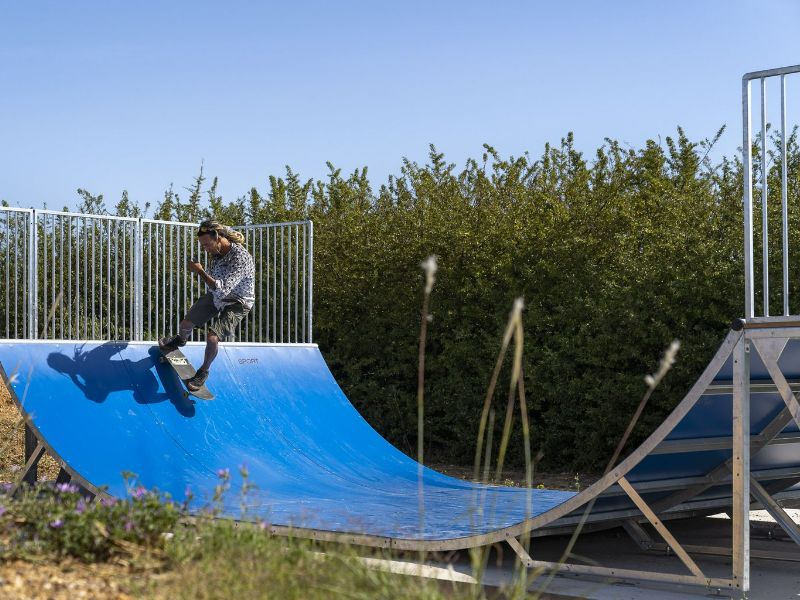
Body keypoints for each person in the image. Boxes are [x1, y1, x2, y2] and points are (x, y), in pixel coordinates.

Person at [159, 219, 255, 391]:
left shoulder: (241, 258)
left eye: (207, 245)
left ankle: (203, 371)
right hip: (216, 295)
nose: (206, 249)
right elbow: (216, 288)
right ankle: (180, 340)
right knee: (185, 324)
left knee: (212, 337)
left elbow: (222, 289)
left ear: (217, 237)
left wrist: (200, 271)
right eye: (203, 246)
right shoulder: (217, 254)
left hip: (238, 302)